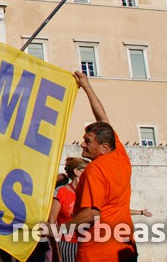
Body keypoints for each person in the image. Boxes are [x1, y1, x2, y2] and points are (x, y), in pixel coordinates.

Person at [64, 71, 137, 262]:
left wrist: (58, 229)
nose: (81, 145)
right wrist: (86, 86)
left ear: (103, 147)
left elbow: (91, 214)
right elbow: (103, 120)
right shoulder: (120, 155)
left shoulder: (94, 170)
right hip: (125, 246)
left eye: (87, 141)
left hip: (97, 253)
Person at [49, 157, 89, 262]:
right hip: (67, 243)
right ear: (77, 172)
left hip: (89, 242)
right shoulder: (61, 192)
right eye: (87, 169)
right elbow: (52, 222)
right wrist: (56, 249)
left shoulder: (90, 192)